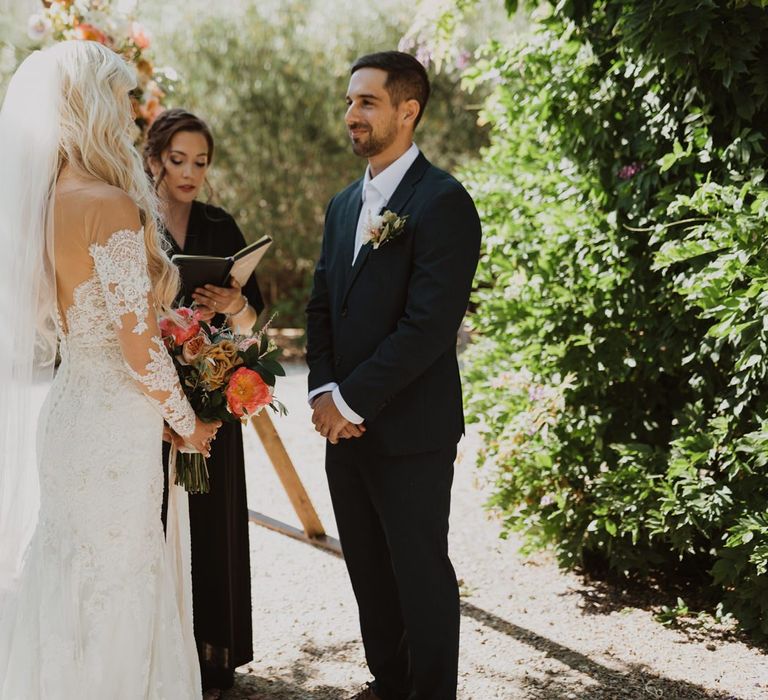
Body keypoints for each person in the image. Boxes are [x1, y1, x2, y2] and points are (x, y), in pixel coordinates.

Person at [0, 42, 222, 698]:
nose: (132, 118)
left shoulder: (42, 202)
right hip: (115, 422)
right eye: (124, 103)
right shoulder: (109, 203)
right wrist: (189, 424)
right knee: (120, 577)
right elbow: (138, 346)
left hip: (71, 413)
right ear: (94, 105)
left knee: (67, 572)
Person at [305, 51, 481, 700]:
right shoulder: (342, 204)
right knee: (369, 572)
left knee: (419, 572)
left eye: (367, 102)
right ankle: (388, 682)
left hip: (411, 431)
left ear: (408, 111)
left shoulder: (443, 202)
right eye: (350, 101)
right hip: (343, 430)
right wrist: (323, 393)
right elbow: (321, 304)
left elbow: (428, 328)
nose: (352, 114)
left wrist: (350, 401)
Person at [144, 108, 264, 697]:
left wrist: (231, 306)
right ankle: (152, 653)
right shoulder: (132, 219)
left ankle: (213, 658)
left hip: (214, 400)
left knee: (211, 524)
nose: (190, 173)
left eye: (201, 162)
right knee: (153, 521)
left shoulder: (221, 223)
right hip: (148, 400)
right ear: (154, 160)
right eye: (177, 160)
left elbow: (253, 322)